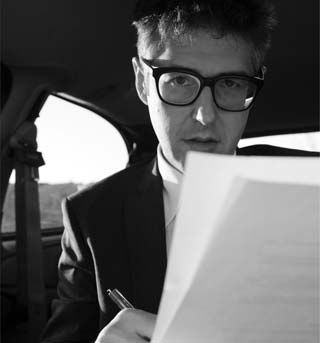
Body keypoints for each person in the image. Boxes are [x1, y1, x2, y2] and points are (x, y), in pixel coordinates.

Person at [41, 0, 277, 342]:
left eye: (230, 83)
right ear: (141, 81)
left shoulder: (309, 190)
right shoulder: (91, 216)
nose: (204, 117)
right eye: (179, 80)